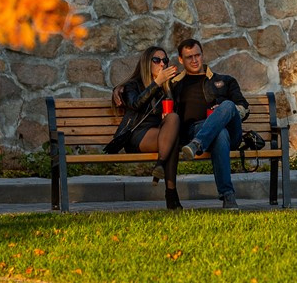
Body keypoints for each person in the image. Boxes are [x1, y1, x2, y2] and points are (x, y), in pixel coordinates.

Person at [171, 38, 250, 210]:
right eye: (189, 57)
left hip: (232, 133)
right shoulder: (174, 84)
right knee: (218, 133)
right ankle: (228, 196)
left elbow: (244, 107)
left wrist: (223, 112)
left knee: (227, 106)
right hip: (195, 129)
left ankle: (197, 144)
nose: (194, 60)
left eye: (197, 55)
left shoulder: (225, 80)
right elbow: (143, 84)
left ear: (202, 55)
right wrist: (119, 89)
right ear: (180, 59)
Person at [107, 45, 184, 209]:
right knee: (171, 141)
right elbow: (136, 104)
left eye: (164, 60)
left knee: (173, 125)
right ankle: (171, 195)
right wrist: (157, 82)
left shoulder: (169, 86)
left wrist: (167, 86)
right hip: (138, 134)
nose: (161, 64)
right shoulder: (132, 85)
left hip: (162, 135)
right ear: (146, 63)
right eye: (156, 60)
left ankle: (160, 165)